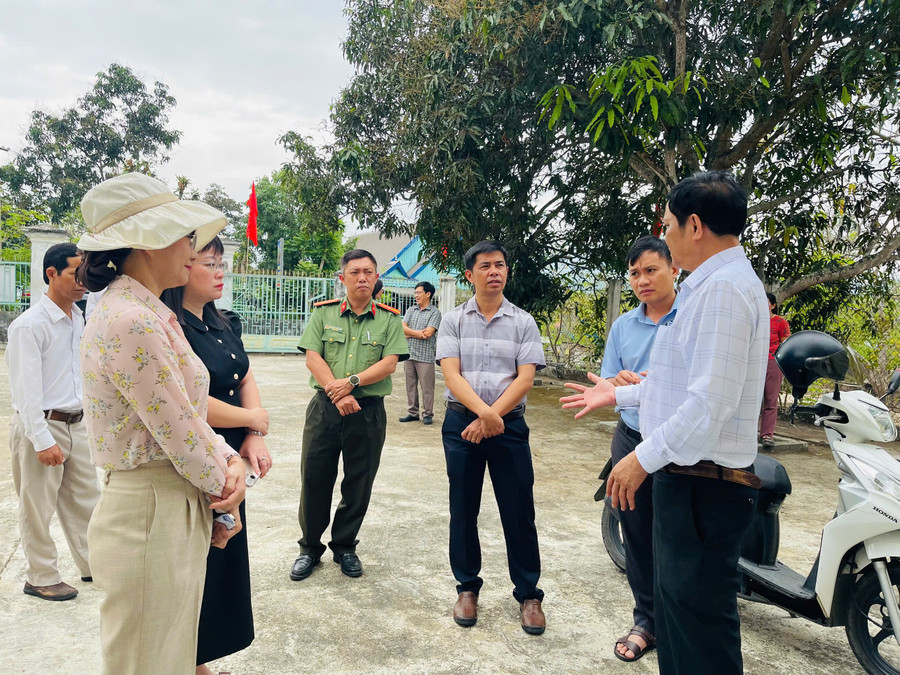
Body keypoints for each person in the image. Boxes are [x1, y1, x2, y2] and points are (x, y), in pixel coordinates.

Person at [561, 171, 768, 674]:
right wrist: (620, 392)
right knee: (677, 619)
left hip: (702, 485)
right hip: (689, 481)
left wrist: (639, 459)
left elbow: (706, 407)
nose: (667, 232)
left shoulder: (722, 292)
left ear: (694, 225)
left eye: (670, 223)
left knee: (698, 629)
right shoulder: (710, 287)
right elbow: (678, 385)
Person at [77, 173, 246, 674]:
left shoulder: (143, 312)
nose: (193, 250)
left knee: (165, 656)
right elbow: (181, 431)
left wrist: (227, 469)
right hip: (151, 511)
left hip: (165, 504)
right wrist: (230, 474)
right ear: (147, 243)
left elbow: (184, 417)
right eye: (183, 236)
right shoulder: (132, 319)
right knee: (149, 663)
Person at [161, 236, 272, 675]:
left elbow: (244, 374)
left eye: (222, 262)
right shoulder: (171, 327)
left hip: (231, 452)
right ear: (184, 267)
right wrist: (254, 418)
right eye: (210, 263)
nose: (220, 271)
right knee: (196, 559)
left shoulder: (225, 321)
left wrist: (252, 433)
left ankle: (200, 660)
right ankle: (189, 662)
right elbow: (190, 399)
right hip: (195, 449)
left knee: (223, 557)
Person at [436, 240, 548, 635]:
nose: (494, 272)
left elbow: (526, 377)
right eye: (485, 266)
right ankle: (467, 587)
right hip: (461, 425)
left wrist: (492, 416)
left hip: (509, 427)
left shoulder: (523, 321)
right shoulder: (453, 320)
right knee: (463, 508)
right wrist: (484, 414)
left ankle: (529, 594)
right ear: (470, 275)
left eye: (500, 265)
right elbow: (451, 374)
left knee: (518, 509)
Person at [290, 249, 408, 581]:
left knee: (359, 482)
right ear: (341, 278)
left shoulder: (388, 318)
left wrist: (351, 383)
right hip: (325, 410)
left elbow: (389, 363)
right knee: (314, 479)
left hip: (368, 412)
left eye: (368, 272)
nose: (362, 278)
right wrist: (337, 393)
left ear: (376, 277)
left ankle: (344, 546)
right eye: (354, 272)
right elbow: (313, 356)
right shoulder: (323, 314)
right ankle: (310, 548)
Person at [6, 242, 100, 602]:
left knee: (86, 502)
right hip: (42, 425)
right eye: (76, 272)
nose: (83, 280)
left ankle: (93, 564)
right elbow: (25, 389)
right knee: (37, 507)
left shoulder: (79, 319)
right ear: (51, 273)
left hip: (76, 424)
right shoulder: (29, 326)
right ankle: (41, 575)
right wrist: (41, 439)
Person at [601, 235, 679, 662]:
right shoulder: (624, 326)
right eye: (634, 273)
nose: (642, 280)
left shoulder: (691, 317)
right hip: (631, 439)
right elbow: (608, 380)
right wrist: (621, 382)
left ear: (674, 269)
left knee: (678, 538)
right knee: (636, 532)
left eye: (651, 270)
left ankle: (676, 621)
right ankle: (646, 620)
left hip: (682, 446)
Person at [399, 280, 442, 425]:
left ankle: (428, 413)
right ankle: (413, 412)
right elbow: (401, 329)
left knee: (427, 387)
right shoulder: (411, 310)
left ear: (428, 294)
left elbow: (429, 333)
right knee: (410, 385)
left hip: (425, 356)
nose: (416, 295)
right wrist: (418, 333)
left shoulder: (435, 313)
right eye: (415, 292)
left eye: (419, 292)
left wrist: (409, 333)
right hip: (409, 353)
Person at [760, 292, 790, 448]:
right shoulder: (754, 320)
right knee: (750, 398)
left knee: (771, 400)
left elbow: (785, 346)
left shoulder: (780, 322)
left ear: (772, 305)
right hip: (754, 362)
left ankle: (766, 435)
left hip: (773, 361)